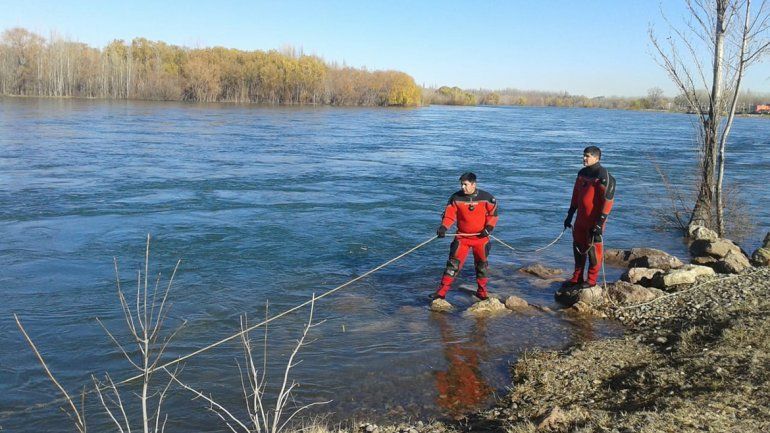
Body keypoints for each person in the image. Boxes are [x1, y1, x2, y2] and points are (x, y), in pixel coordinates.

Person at [431, 172, 498, 301]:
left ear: (473, 184)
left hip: (481, 239)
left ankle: (482, 293)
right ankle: (441, 293)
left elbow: (493, 215)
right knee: (452, 265)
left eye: (465, 184)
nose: (463, 187)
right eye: (461, 184)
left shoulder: (487, 198)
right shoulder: (455, 198)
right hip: (462, 238)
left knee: (481, 266)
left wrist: (489, 228)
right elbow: (449, 216)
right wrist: (443, 227)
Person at [563, 146, 616, 288]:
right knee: (578, 248)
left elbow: (608, 201)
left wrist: (600, 223)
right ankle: (577, 277)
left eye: (587, 156)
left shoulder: (603, 176)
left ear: (597, 158)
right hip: (580, 220)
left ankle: (591, 281)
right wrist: (569, 215)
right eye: (583, 155)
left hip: (595, 221)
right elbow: (576, 196)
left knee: (593, 251)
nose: (584, 158)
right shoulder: (581, 173)